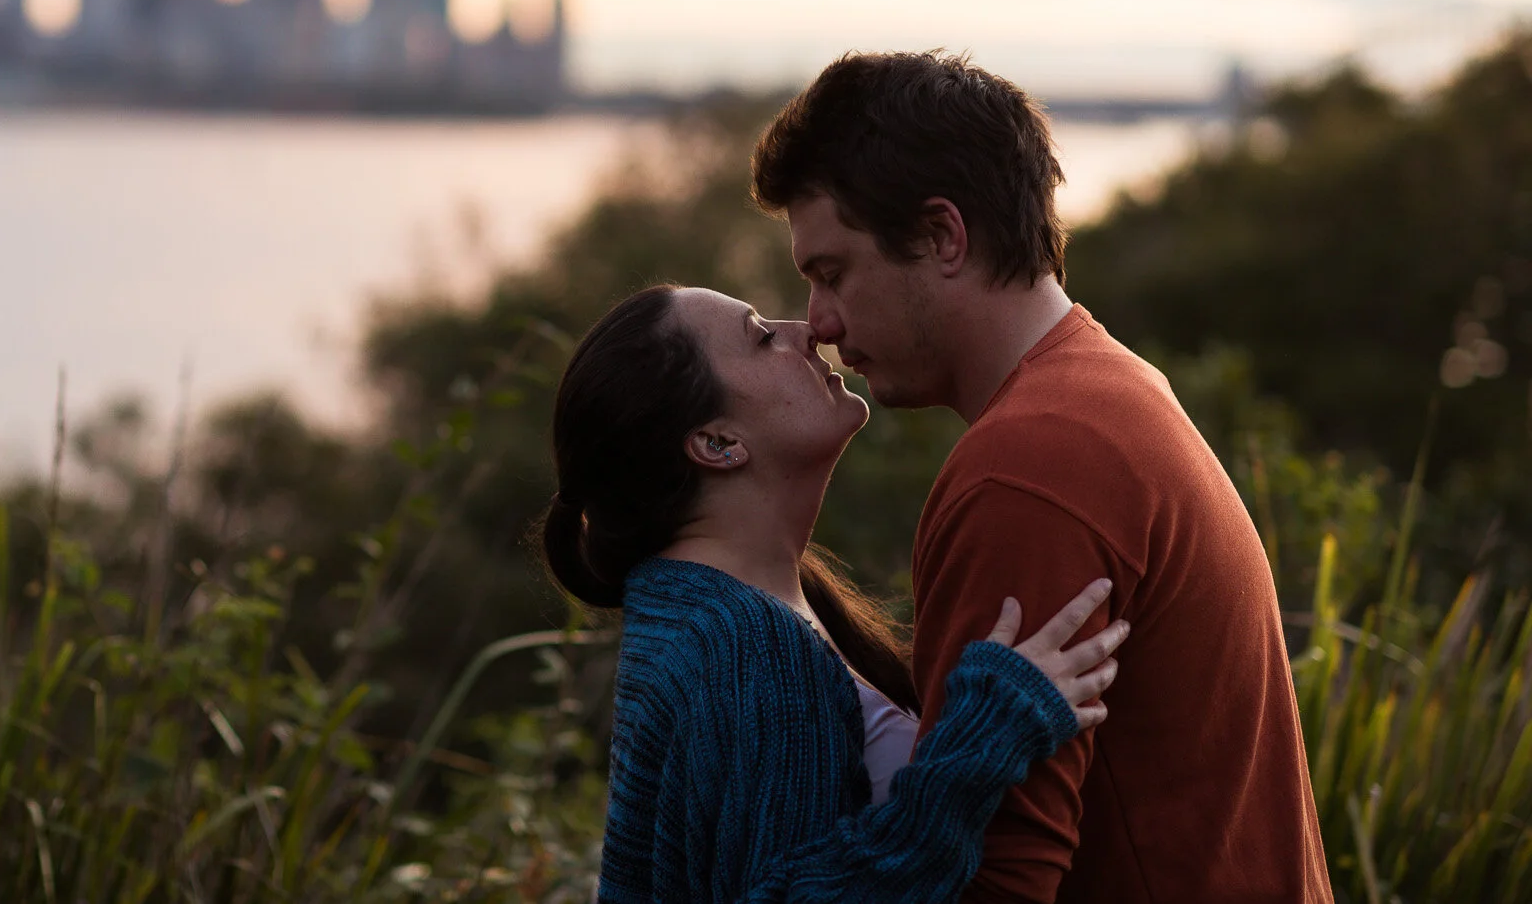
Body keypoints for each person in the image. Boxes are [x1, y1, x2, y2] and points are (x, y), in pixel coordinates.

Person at [751, 50, 1333, 903]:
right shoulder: (1111, 386)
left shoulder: (1025, 474)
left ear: (944, 236)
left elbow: (990, 879)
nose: (822, 322)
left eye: (833, 273)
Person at [544, 283, 1130, 904]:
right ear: (719, 444)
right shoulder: (747, 647)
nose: (806, 330)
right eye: (763, 337)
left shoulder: (696, 612)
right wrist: (985, 739)